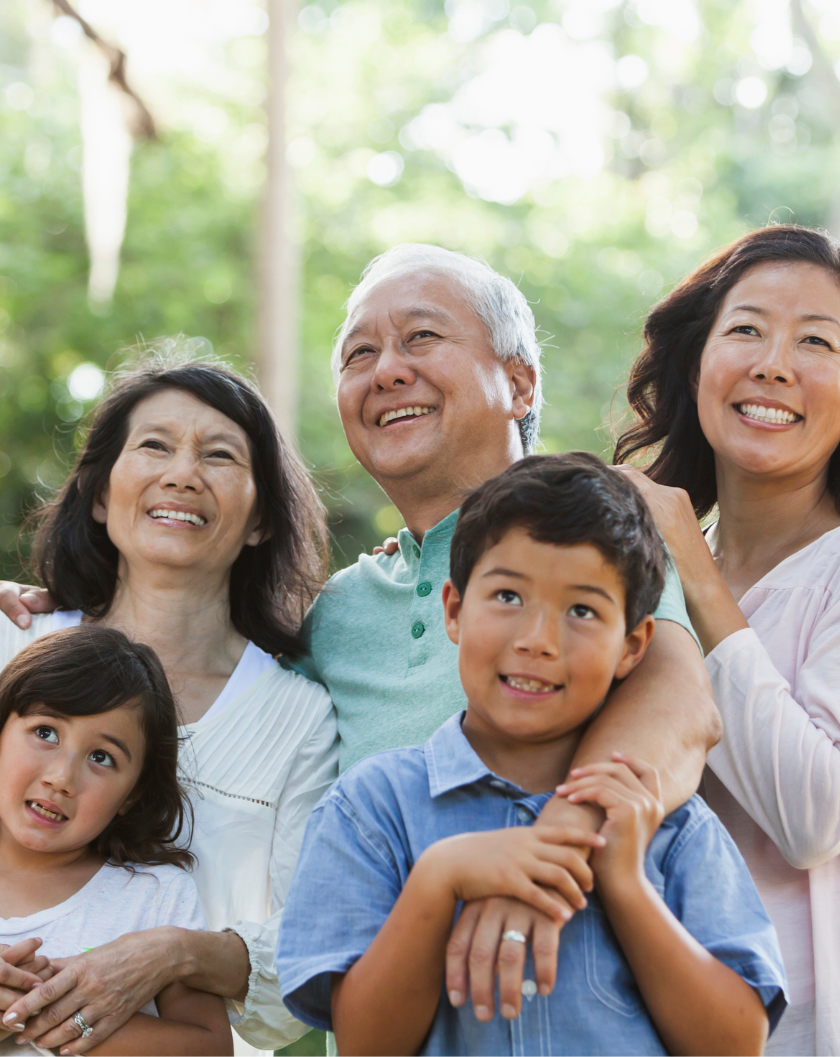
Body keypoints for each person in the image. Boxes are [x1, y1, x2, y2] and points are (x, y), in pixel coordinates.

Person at [3, 247, 721, 1013]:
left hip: (573, 1002)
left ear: (518, 383)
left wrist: (548, 856)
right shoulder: (339, 613)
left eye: (420, 338)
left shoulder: (598, 548)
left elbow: (679, 711)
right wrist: (65, 608)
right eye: (359, 353)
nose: (386, 371)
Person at [276, 453, 787, 1056]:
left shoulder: (666, 825)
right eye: (508, 596)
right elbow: (366, 1045)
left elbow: (736, 1044)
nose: (538, 641)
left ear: (632, 646)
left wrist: (624, 883)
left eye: (581, 611)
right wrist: (438, 882)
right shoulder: (372, 809)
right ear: (455, 611)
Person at [0, 346, 337, 1056]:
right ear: (99, 493)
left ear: (261, 519)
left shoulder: (298, 715)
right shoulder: (12, 643)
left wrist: (174, 952)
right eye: (154, 445)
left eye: (219, 456)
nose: (182, 474)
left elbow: (308, 956)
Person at [612, 224, 840, 1055]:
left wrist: (695, 574)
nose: (773, 362)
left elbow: (816, 812)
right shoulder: (647, 568)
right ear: (697, 360)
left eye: (818, 340)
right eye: (745, 328)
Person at [0, 624, 232, 1056]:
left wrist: (34, 1011)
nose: (62, 778)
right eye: (46, 732)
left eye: (101, 757)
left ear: (133, 794)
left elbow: (211, 1049)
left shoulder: (155, 897)